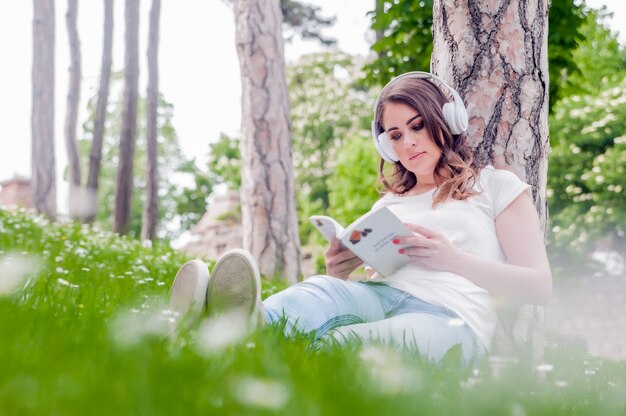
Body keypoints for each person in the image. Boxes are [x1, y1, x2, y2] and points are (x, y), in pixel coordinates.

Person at [169, 71, 552, 364]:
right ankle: (241, 326)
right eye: (396, 135)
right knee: (320, 291)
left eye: (418, 126)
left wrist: (453, 260)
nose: (409, 142)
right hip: (382, 294)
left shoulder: (497, 186)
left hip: (452, 318)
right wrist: (338, 268)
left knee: (339, 348)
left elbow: (539, 286)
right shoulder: (387, 207)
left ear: (446, 121)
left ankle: (217, 337)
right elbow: (367, 276)